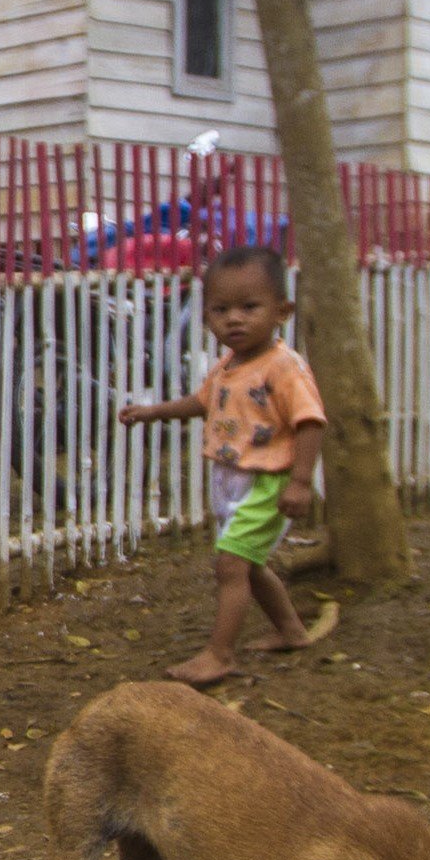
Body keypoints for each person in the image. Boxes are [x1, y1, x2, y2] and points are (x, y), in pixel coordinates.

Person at [117, 243, 338, 686]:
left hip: (267, 482)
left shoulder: (284, 368)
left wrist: (300, 482)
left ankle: (219, 654)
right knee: (249, 564)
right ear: (206, 318)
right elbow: (201, 403)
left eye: (249, 307)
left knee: (231, 565)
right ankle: (292, 631)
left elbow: (311, 422)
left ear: (282, 311)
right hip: (232, 479)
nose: (234, 319)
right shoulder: (228, 365)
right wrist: (153, 412)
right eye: (221, 309)